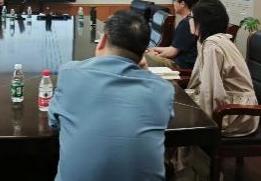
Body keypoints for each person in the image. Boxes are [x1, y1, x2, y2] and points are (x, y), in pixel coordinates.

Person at [48, 10, 175, 181]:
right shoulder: (163, 90)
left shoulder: (69, 73)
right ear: (144, 52)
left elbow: (54, 122)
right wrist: (145, 74)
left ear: (102, 41)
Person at [172, 0, 258, 181]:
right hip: (232, 105)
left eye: (192, 17)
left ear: (201, 22)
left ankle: (205, 174)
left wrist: (200, 125)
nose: (189, 20)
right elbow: (204, 85)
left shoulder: (212, 45)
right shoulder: (211, 41)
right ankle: (184, 169)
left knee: (182, 127)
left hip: (236, 113)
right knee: (175, 113)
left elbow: (211, 92)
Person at [146, 0, 200, 69]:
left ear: (182, 4)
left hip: (181, 66)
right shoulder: (192, 20)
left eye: (175, 1)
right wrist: (153, 49)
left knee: (142, 57)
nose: (173, 3)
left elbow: (172, 52)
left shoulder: (186, 23)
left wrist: (154, 54)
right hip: (182, 62)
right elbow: (174, 48)